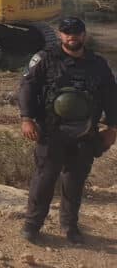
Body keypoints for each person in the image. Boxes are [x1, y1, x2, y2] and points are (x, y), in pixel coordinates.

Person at [18, 16, 117, 244]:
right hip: (52, 132)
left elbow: (112, 95)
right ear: (60, 35)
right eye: (66, 32)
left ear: (84, 34)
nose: (72, 36)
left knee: (74, 182)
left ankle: (69, 226)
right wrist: (26, 118)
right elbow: (27, 88)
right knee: (44, 181)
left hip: (85, 134)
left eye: (76, 31)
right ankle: (32, 225)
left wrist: (113, 127)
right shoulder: (45, 59)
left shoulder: (98, 63)